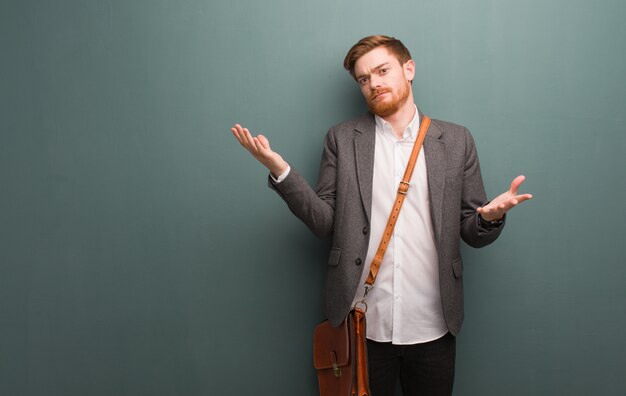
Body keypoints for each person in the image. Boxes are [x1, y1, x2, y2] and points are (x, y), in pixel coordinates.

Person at [231, 35, 532, 396]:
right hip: (362, 326)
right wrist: (282, 172)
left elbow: (472, 230)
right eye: (363, 78)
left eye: (382, 70)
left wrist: (490, 217)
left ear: (409, 69)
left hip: (434, 325)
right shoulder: (342, 139)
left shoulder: (456, 141)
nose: (373, 83)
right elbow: (324, 222)